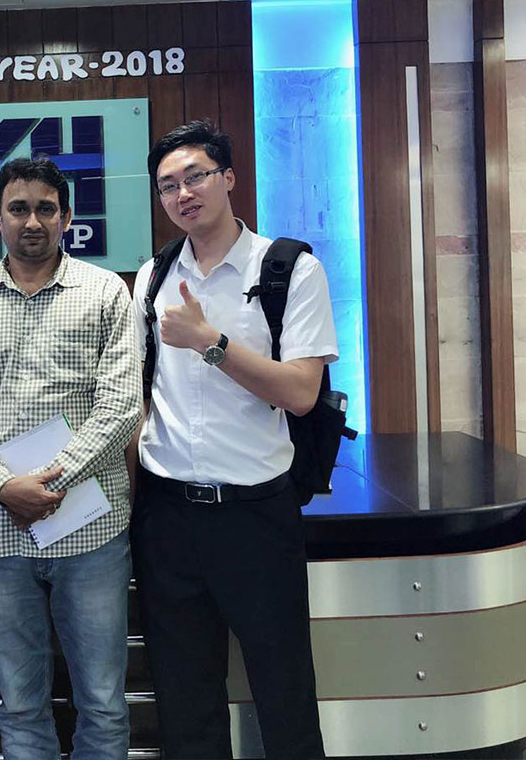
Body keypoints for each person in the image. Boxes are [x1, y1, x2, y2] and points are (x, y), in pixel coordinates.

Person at [129, 121, 338, 759]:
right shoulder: (153, 275)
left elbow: (301, 392)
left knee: (283, 684)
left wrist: (210, 343)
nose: (183, 194)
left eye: (195, 176)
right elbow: (145, 387)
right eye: (168, 185)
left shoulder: (289, 268)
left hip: (255, 513)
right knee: (184, 694)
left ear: (228, 178)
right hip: (167, 513)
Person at [0, 156, 141, 760]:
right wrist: (5, 486)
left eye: (46, 209)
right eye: (19, 208)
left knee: (102, 701)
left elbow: (121, 406)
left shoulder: (105, 291)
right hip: (1, 533)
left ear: (67, 217)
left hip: (91, 530)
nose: (32, 221)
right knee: (21, 703)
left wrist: (50, 482)